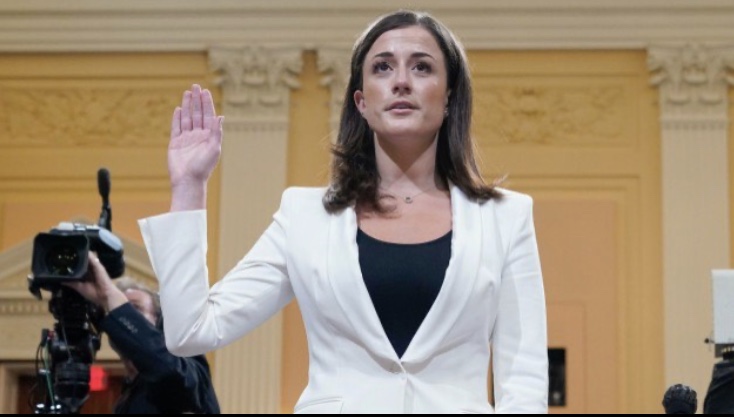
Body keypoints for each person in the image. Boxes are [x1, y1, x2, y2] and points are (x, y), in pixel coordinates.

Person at [139, 9, 548, 414]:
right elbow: (192, 331)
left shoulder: (506, 218)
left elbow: (523, 379)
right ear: (361, 102)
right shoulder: (304, 217)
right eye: (382, 67)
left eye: (421, 67)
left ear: (449, 98)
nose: (401, 81)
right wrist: (188, 186)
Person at [66, 260, 221, 414]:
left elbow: (169, 373)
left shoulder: (189, 367)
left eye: (135, 308)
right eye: (120, 309)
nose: (119, 315)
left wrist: (109, 293)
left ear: (159, 322)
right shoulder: (126, 398)